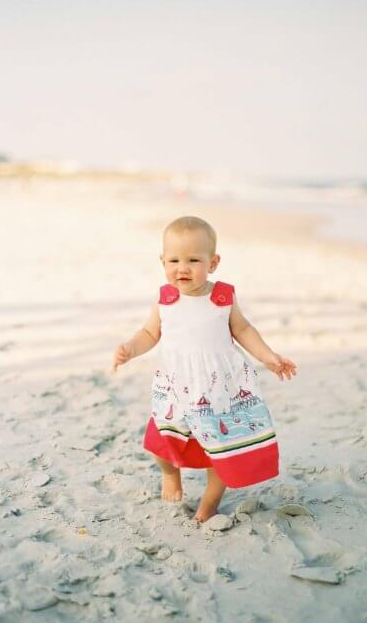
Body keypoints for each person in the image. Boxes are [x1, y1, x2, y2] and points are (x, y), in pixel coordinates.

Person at [112, 216, 297, 522]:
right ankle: (171, 475)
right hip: (176, 388)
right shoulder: (165, 299)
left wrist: (268, 356)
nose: (182, 268)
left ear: (213, 262)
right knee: (161, 442)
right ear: (162, 261)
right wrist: (130, 349)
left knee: (222, 450)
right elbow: (149, 334)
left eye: (193, 260)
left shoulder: (222, 297)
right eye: (173, 260)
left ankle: (209, 503)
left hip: (220, 389)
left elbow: (244, 330)